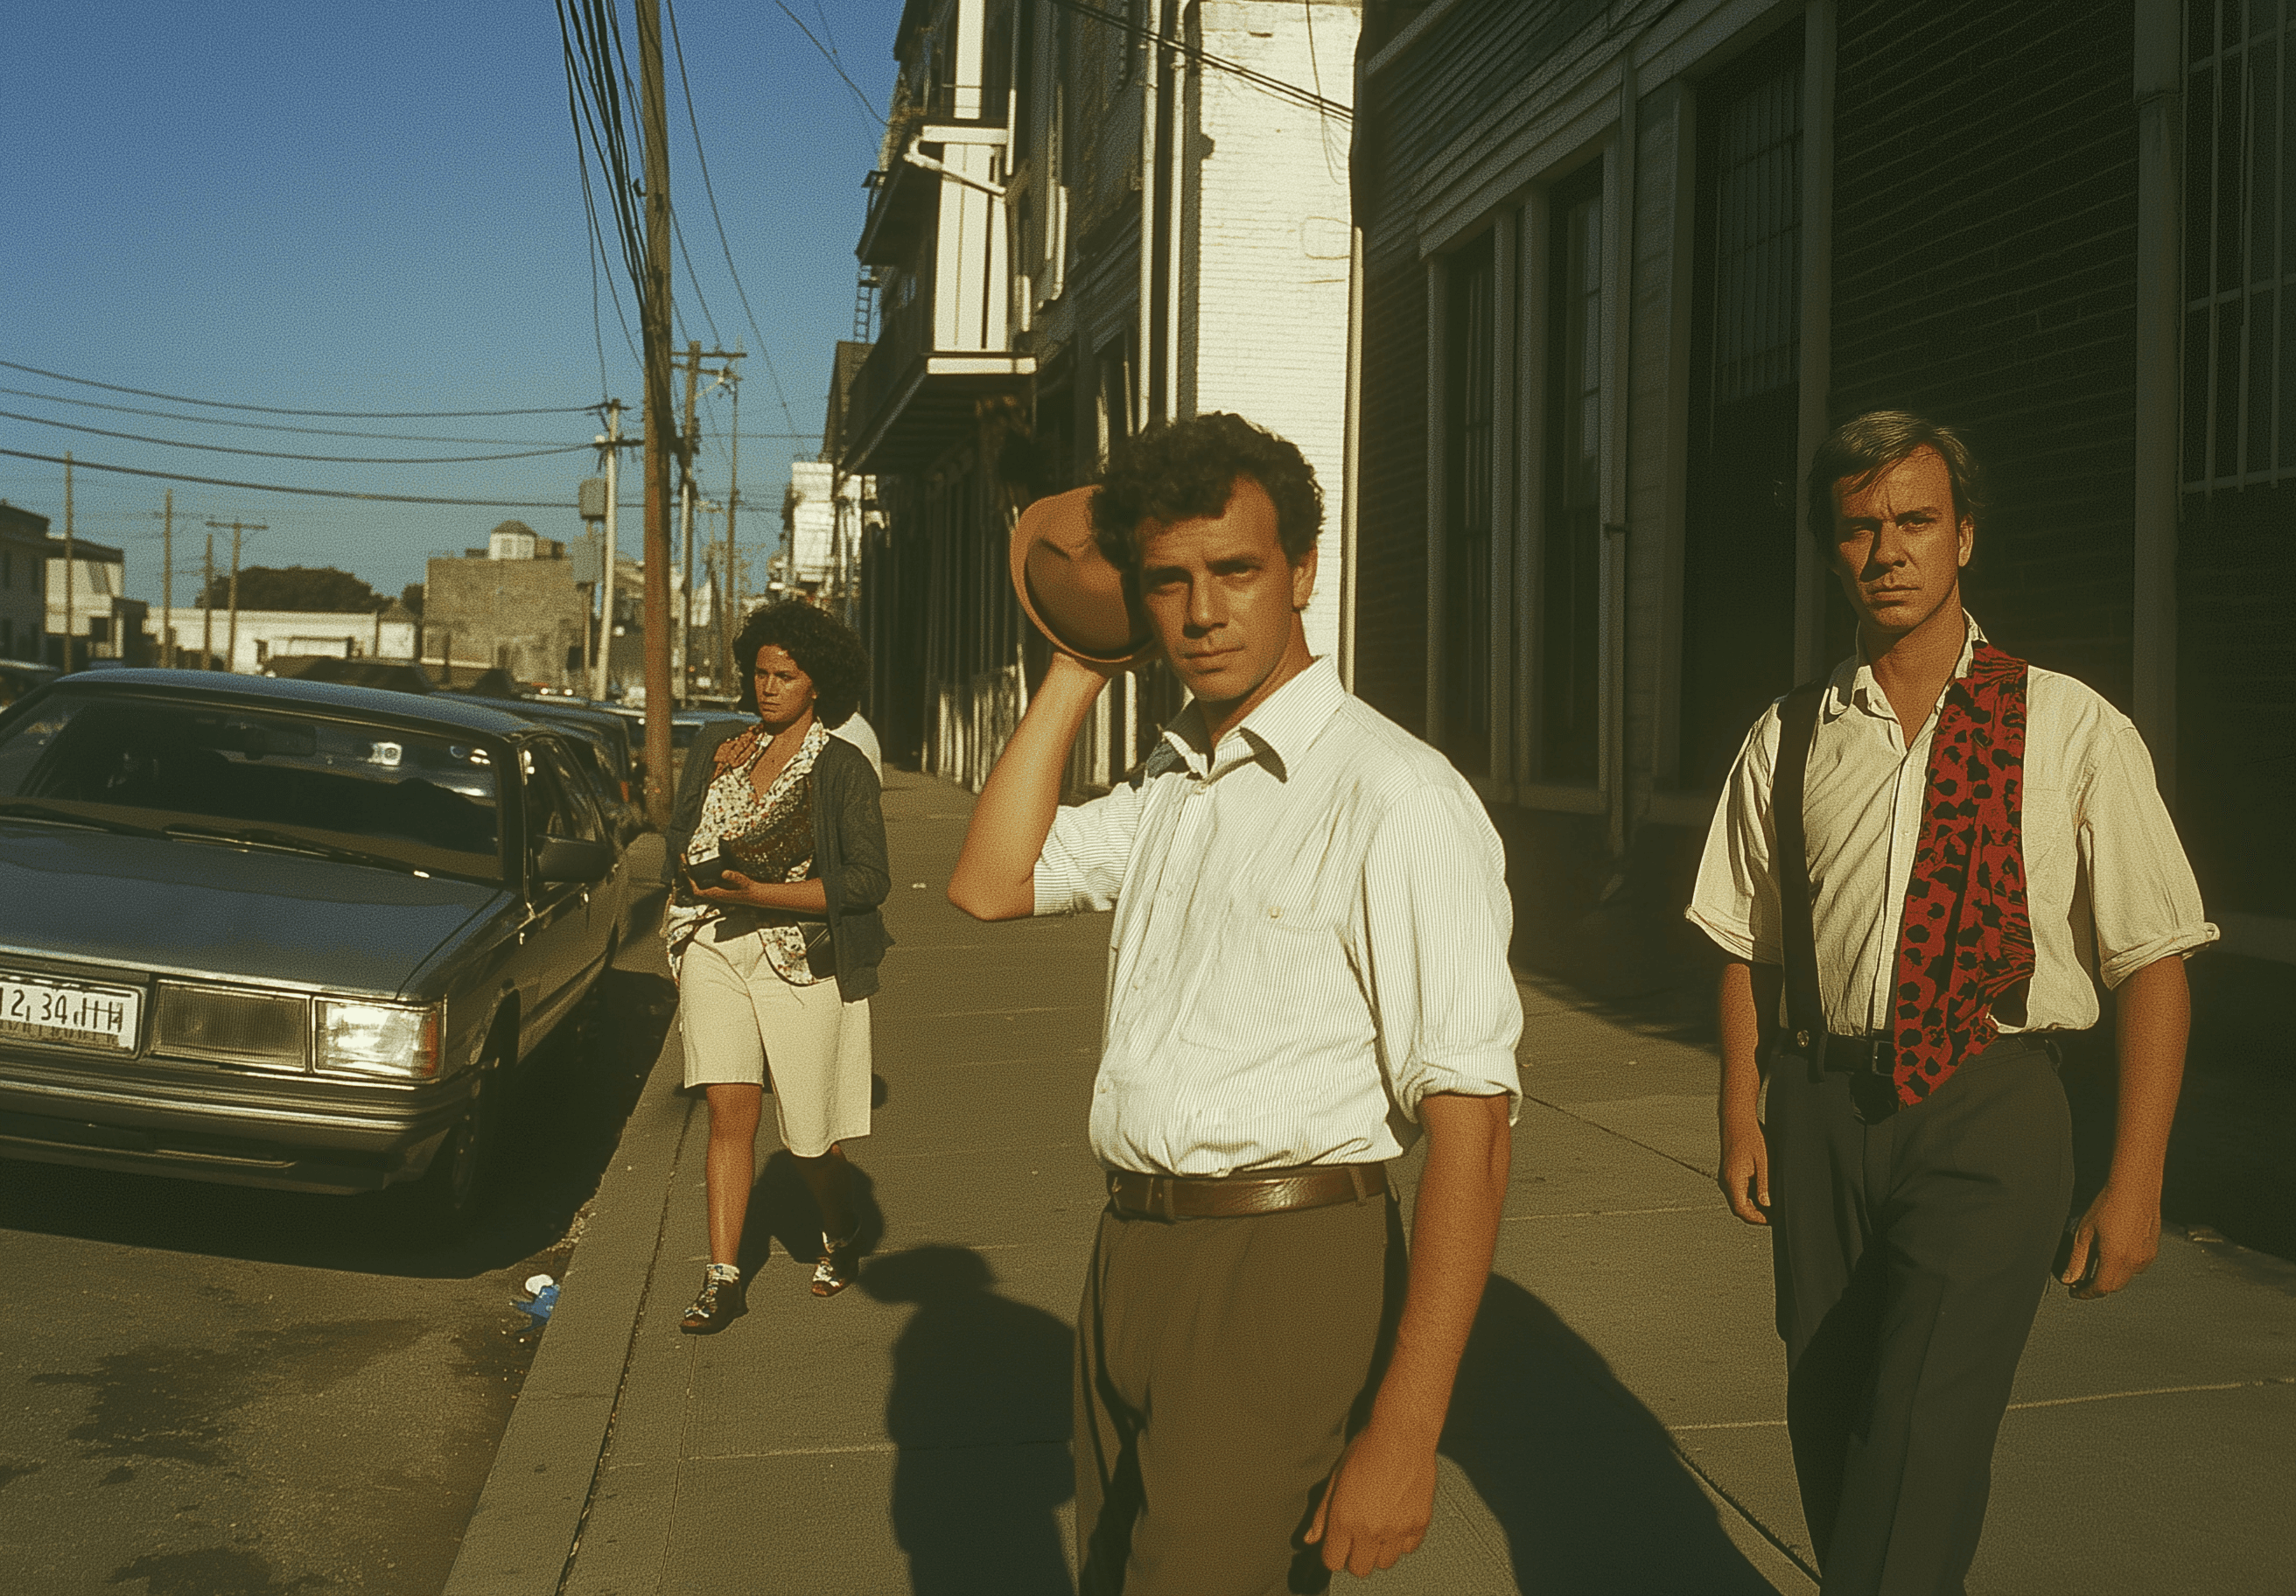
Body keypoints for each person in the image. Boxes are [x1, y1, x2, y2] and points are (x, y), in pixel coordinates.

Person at [948, 412, 1522, 1593]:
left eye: (1236, 571)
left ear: (1303, 570)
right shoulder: (1177, 778)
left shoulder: (1396, 795)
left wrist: (1406, 1435)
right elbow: (989, 882)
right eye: (1168, 583)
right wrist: (1076, 653)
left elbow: (1475, 1132)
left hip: (1288, 1260)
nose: (1203, 613)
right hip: (1132, 1254)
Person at [1688, 410, 2215, 1594]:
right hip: (1822, 1107)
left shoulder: (2071, 727)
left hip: (1991, 1104)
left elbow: (2155, 961)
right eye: (1860, 528)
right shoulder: (1790, 737)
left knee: (1924, 1427)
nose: (1888, 551)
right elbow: (1746, 941)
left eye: (1915, 522)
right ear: (1834, 550)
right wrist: (1741, 1111)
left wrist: (2136, 1186)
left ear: (1964, 537)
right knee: (1834, 1424)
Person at [665, 600, 892, 1329]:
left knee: (806, 1135)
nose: (767, 688)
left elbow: (866, 881)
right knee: (729, 1113)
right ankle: (723, 1276)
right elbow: (675, 837)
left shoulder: (842, 767)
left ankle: (843, 1228)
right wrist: (698, 867)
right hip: (714, 944)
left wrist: (760, 891)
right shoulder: (718, 747)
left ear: (817, 683)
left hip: (800, 959)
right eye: (759, 673)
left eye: (784, 676)